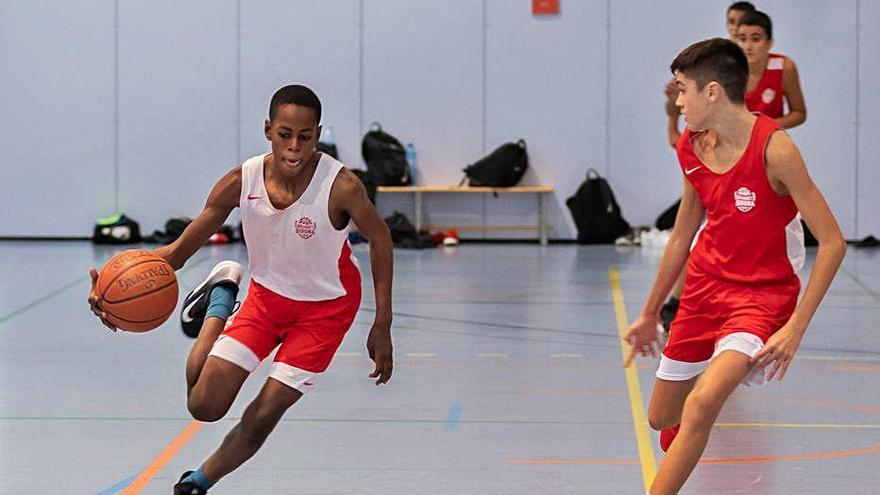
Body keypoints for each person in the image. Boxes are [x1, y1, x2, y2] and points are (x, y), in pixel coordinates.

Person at [87, 85, 395, 494]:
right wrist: (111, 286)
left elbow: (381, 239)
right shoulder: (241, 180)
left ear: (317, 135)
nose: (294, 147)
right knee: (204, 405)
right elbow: (176, 254)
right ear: (268, 130)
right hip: (267, 300)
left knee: (263, 414)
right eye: (285, 134)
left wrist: (383, 322)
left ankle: (198, 482)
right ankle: (221, 298)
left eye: (305, 136)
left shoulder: (342, 186)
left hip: (325, 311)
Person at [625, 38, 845, 495]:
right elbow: (682, 236)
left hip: (761, 299)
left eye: (683, 89)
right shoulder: (692, 144)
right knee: (662, 418)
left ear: (712, 92)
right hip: (704, 290)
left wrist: (796, 328)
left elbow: (834, 243)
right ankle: (686, 432)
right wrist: (649, 313)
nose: (677, 100)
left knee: (704, 402)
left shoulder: (776, 151)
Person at [660, 6, 809, 335]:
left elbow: (799, 112)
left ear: (769, 41)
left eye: (755, 38)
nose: (748, 44)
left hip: (761, 168)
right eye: (739, 36)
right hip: (723, 163)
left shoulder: (782, 70)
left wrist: (765, 130)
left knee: (744, 246)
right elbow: (678, 107)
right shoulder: (715, 80)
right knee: (700, 235)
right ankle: (675, 303)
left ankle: (760, 315)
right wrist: (673, 118)